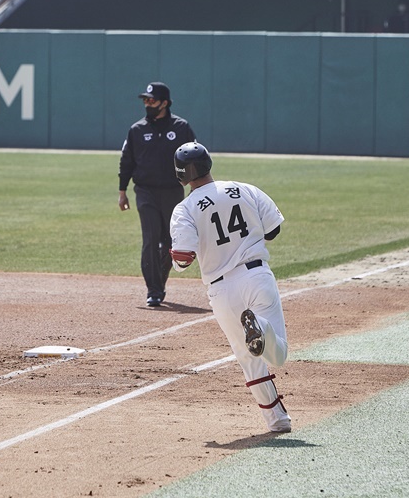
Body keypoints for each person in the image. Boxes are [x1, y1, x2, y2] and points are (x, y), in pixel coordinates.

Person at [168, 141, 291, 434]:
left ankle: (277, 420)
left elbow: (183, 259)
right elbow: (273, 230)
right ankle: (260, 325)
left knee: (249, 358)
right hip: (256, 276)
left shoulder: (185, 209)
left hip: (221, 291)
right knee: (278, 355)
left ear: (180, 175)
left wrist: (177, 258)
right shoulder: (244, 189)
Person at [118, 82, 196, 308]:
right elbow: (126, 161)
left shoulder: (181, 127)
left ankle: (159, 282)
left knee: (171, 241)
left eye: (151, 100)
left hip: (173, 191)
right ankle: (153, 289)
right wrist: (122, 191)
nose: (147, 104)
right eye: (145, 100)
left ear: (164, 103)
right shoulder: (137, 130)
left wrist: (195, 187)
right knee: (151, 239)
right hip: (146, 192)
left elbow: (194, 158)